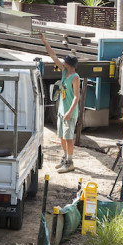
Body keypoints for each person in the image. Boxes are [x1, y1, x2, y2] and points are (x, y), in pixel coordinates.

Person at [40, 33, 81, 173]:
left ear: (69, 64)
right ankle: (64, 158)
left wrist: (69, 112)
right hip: (62, 111)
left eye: (65, 62)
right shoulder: (64, 72)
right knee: (62, 137)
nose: (62, 62)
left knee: (69, 138)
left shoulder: (75, 78)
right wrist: (45, 41)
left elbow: (76, 97)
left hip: (69, 112)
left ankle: (70, 162)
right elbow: (53, 56)